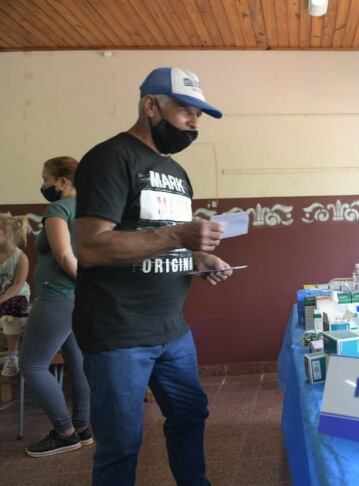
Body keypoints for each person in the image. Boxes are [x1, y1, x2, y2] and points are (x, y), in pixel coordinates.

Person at [73, 67, 231, 486]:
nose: (194, 123)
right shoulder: (110, 158)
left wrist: (198, 257)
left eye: (199, 116)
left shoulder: (177, 174)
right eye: (186, 112)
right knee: (121, 443)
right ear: (151, 105)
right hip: (118, 332)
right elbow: (90, 248)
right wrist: (179, 233)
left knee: (190, 415)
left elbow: (160, 239)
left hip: (172, 328)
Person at [20, 156, 93, 457]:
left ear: (62, 182)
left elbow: (64, 257)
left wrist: (87, 286)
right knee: (77, 361)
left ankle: (64, 432)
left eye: (46, 179)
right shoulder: (91, 207)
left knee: (32, 365)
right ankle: (83, 427)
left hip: (58, 296)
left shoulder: (58, 208)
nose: (44, 185)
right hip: (76, 298)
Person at [0, 213, 30, 377]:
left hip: (16, 297)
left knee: (11, 312)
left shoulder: (21, 258)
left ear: (5, 232)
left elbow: (17, 285)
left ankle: (12, 357)